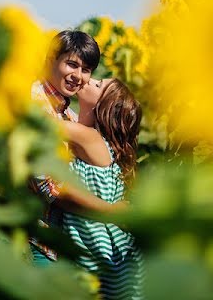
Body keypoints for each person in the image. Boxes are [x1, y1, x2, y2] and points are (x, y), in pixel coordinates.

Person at [29, 30, 126, 263]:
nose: (78, 76)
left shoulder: (67, 116)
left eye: (86, 70)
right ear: (51, 58)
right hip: (37, 244)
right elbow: (51, 188)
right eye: (71, 65)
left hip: (62, 248)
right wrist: (111, 212)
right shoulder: (34, 105)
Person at [59, 77, 144, 300]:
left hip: (97, 248)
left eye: (98, 85)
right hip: (101, 244)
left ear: (102, 107)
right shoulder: (93, 138)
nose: (89, 79)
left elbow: (44, 123)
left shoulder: (90, 138)